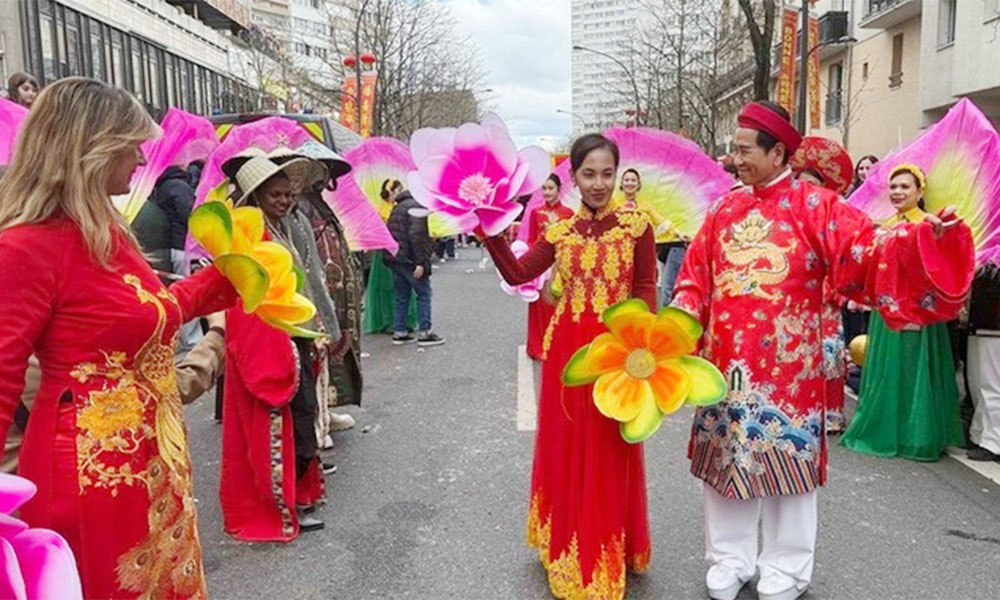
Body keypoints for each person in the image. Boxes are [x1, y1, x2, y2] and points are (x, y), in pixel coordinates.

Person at [671, 101, 973, 600]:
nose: (736, 159)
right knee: (726, 462)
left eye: (745, 150)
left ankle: (787, 568)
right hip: (725, 366)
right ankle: (729, 559)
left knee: (788, 470)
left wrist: (925, 239)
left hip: (791, 370)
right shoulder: (724, 210)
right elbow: (694, 277)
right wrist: (681, 317)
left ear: (777, 152)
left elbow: (869, 252)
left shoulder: (818, 207)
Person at [0, 77, 239, 598]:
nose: (141, 155)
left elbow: (145, 318)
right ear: (91, 146)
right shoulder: (25, 246)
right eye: (131, 141)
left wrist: (226, 277)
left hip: (151, 460)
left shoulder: (106, 232)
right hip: (88, 474)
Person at [482, 134, 657, 600]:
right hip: (567, 354)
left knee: (608, 448)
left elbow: (644, 287)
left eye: (607, 173)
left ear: (617, 174)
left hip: (616, 355)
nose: (599, 184)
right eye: (588, 174)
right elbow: (520, 275)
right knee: (567, 447)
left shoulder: (637, 225)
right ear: (572, 177)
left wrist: (645, 351)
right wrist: (490, 231)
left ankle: (606, 546)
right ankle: (566, 543)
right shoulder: (559, 231)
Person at [219, 154, 339, 539]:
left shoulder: (286, 226)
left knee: (304, 418)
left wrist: (319, 327)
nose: (285, 201)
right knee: (287, 423)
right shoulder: (247, 235)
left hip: (296, 336)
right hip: (268, 341)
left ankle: (300, 495)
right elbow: (244, 297)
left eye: (289, 194)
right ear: (255, 195)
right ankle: (283, 504)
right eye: (276, 194)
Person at [841, 164, 965, 462]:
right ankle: (887, 428)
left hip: (916, 312)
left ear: (920, 191)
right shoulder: (884, 225)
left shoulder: (929, 224)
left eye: (905, 187)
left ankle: (915, 435)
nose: (897, 192)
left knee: (912, 369)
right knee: (887, 369)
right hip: (886, 313)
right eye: (893, 187)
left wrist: (930, 233)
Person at [789, 136, 856, 434]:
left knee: (828, 354)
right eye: (800, 184)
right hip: (796, 292)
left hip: (826, 289)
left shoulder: (834, 212)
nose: (805, 191)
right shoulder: (788, 211)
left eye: (811, 184)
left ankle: (830, 414)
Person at [385, 183, 445, 346]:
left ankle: (400, 331)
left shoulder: (398, 208)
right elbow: (416, 235)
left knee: (401, 296)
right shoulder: (417, 207)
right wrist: (421, 262)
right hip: (411, 260)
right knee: (423, 294)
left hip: (396, 258)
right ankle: (425, 332)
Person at [524, 173, 573, 362]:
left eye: (550, 188)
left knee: (558, 305)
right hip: (540, 265)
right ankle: (537, 346)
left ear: (559, 190)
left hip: (560, 265)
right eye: (544, 188)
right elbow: (531, 239)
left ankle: (558, 345)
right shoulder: (536, 213)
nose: (547, 192)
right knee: (539, 307)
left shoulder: (568, 214)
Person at [363, 179, 417, 334]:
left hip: (401, 250)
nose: (399, 193)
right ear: (390, 191)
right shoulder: (380, 210)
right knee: (387, 287)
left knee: (404, 286)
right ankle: (387, 320)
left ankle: (404, 320)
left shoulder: (400, 207)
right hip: (384, 254)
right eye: (397, 190)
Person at [967, 266, 1000, 462]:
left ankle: (993, 441)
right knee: (978, 382)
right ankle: (979, 433)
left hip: (994, 325)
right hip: (981, 323)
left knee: (991, 385)